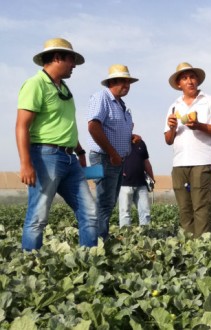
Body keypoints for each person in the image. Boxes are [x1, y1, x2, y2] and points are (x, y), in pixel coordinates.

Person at [15, 37, 98, 250]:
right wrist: (26, 163)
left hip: (69, 159)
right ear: (57, 57)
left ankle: (90, 261)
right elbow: (22, 126)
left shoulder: (64, 89)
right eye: (71, 60)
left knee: (90, 211)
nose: (74, 65)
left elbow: (65, 125)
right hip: (45, 157)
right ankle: (29, 265)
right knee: (38, 215)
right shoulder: (35, 84)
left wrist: (79, 152)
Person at [164, 62, 211, 238]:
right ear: (179, 84)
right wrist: (172, 128)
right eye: (184, 78)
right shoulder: (174, 106)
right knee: (185, 209)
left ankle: (203, 250)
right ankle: (189, 250)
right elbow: (168, 140)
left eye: (192, 77)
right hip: (179, 163)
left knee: (202, 208)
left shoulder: (210, 101)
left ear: (197, 80)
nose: (189, 81)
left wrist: (199, 126)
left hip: (203, 161)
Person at [87, 64, 140, 239]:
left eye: (128, 82)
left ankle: (101, 236)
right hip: (104, 157)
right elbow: (94, 126)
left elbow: (112, 129)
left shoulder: (121, 104)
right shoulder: (102, 97)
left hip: (115, 159)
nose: (127, 86)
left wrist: (129, 137)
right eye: (123, 82)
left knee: (109, 201)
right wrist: (113, 153)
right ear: (112, 82)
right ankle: (97, 239)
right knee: (104, 201)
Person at [118, 138, 154, 228]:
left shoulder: (140, 142)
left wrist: (152, 179)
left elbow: (146, 161)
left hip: (141, 184)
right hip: (124, 184)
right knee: (125, 213)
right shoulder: (118, 141)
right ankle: (126, 238)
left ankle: (146, 236)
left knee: (145, 212)